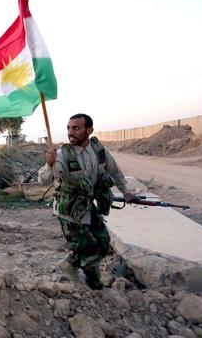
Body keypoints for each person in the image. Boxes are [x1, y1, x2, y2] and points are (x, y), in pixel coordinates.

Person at [38, 113, 135, 290]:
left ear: (88, 130)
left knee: (103, 243)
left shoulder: (99, 151)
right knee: (89, 248)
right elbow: (43, 180)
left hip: (88, 207)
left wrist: (126, 192)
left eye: (76, 128)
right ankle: (95, 285)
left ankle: (69, 264)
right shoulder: (62, 155)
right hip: (69, 211)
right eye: (68, 128)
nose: (70, 132)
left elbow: (115, 171)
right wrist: (49, 164)